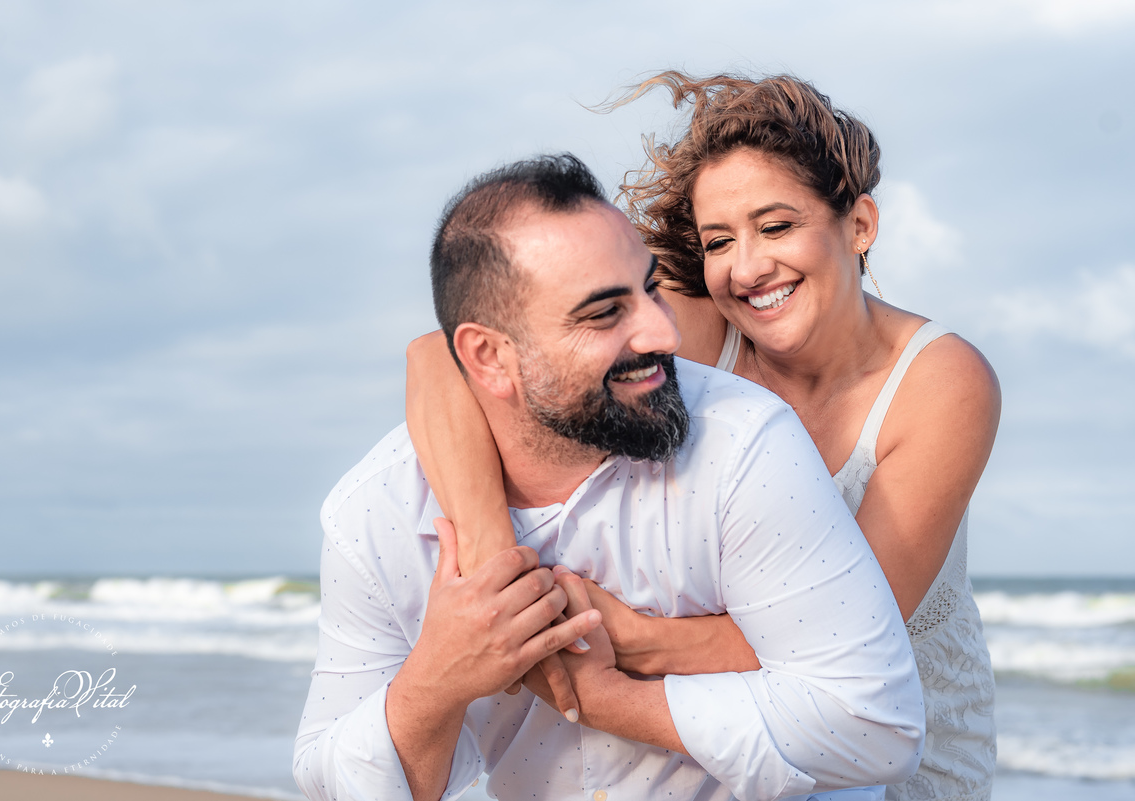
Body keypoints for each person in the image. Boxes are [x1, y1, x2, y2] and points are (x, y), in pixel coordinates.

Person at [405, 74, 1000, 801]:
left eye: (776, 227)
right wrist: (501, 571)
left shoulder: (941, 381)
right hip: (719, 734)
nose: (747, 268)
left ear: (860, 226)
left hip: (887, 729)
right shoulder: (694, 325)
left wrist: (624, 640)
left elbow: (846, 638)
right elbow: (439, 358)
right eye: (720, 240)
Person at [295, 154, 924, 801]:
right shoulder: (376, 512)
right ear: (488, 356)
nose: (662, 332)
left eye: (651, 290)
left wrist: (609, 700)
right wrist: (437, 679)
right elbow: (327, 782)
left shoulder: (743, 445)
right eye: (603, 314)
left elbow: (878, 727)